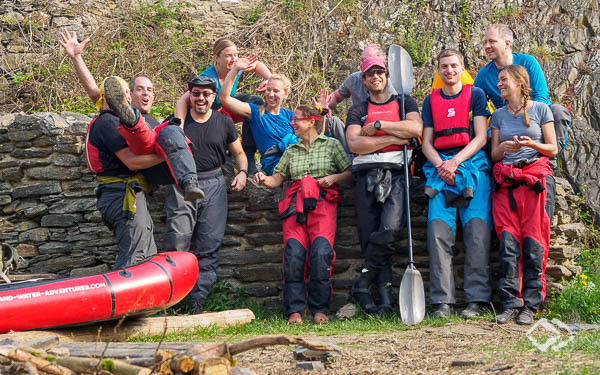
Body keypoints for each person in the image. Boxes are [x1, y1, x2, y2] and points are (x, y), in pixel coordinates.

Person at [60, 29, 203, 197]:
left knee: (171, 129)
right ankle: (133, 121)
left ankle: (189, 181)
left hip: (162, 165)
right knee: (142, 128)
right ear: (130, 95)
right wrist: (77, 58)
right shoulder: (112, 117)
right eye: (138, 90)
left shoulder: (156, 121)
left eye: (149, 90)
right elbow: (95, 93)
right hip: (144, 157)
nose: (145, 93)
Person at [253, 95, 352, 324]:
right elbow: (277, 178)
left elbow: (349, 173)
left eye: (297, 120)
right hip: (295, 206)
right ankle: (295, 311)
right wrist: (263, 178)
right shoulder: (291, 150)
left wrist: (333, 178)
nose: (292, 123)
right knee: (294, 255)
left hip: (323, 203)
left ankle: (320, 310)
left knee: (320, 254)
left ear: (311, 122)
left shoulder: (332, 145)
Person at [346, 56, 423, 316]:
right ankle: (383, 300)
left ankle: (362, 284)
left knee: (389, 232)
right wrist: (395, 137)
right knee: (371, 239)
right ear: (364, 79)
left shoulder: (404, 103)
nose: (376, 77)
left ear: (387, 75)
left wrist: (379, 127)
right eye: (370, 74)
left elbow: (415, 129)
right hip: (366, 174)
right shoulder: (357, 110)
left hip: (397, 174)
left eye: (380, 72)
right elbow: (355, 145)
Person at [165, 75, 249, 313]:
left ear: (214, 97)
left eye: (206, 94)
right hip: (181, 186)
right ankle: (173, 303)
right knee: (177, 243)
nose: (200, 98)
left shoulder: (224, 123)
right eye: (196, 93)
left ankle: (197, 303)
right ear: (189, 95)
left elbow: (239, 153)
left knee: (209, 246)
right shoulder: (177, 122)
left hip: (213, 185)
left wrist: (242, 172)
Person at [421, 49, 493, 318]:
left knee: (477, 233)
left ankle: (477, 299)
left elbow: (480, 138)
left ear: (462, 68)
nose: (449, 71)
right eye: (444, 66)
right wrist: (442, 165)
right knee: (438, 234)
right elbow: (426, 142)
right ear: (438, 70)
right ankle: (443, 301)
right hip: (440, 173)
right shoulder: (430, 101)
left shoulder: (475, 95)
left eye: (453, 66)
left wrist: (455, 163)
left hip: (472, 169)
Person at [474, 23, 571, 219]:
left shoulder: (528, 62)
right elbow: (476, 107)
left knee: (558, 111)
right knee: (483, 134)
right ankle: (492, 170)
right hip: (504, 124)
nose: (487, 46)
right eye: (485, 42)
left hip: (534, 119)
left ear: (507, 43)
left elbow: (543, 98)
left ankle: (549, 161)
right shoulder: (484, 75)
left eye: (492, 41)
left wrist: (521, 116)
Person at [490, 65, 557, 325]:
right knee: (508, 244)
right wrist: (504, 148)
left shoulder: (542, 110)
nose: (499, 85)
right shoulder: (497, 116)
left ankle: (530, 305)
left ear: (519, 82)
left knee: (533, 244)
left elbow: (552, 149)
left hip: (534, 181)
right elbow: (494, 155)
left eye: (504, 80)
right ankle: (510, 304)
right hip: (506, 183)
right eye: (498, 81)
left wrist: (532, 144)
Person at [83, 76, 164, 270]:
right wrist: (166, 156)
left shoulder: (111, 120)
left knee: (143, 253)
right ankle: (123, 300)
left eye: (127, 92)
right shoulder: (108, 123)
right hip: (121, 196)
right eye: (121, 93)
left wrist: (76, 57)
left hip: (119, 194)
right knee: (135, 258)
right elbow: (131, 161)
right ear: (107, 97)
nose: (126, 97)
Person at [174, 38, 272, 174]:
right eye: (228, 56)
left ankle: (248, 155)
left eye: (235, 55)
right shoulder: (209, 78)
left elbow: (257, 65)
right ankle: (227, 151)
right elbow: (182, 101)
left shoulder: (236, 66)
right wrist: (179, 127)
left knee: (256, 105)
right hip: (205, 114)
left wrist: (270, 80)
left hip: (225, 107)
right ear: (216, 58)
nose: (233, 59)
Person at [218, 57, 296, 176]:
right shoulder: (255, 111)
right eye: (268, 90)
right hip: (276, 165)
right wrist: (235, 69)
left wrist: (323, 111)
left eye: (276, 91)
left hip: (296, 159)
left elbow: (314, 134)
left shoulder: (290, 115)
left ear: (286, 94)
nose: (271, 95)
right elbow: (224, 98)